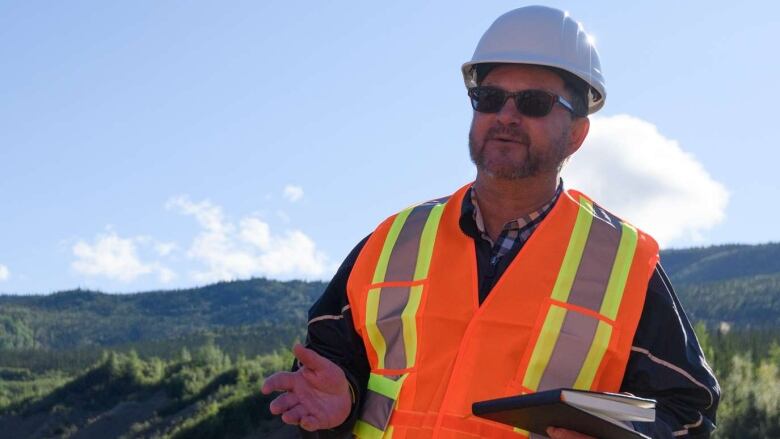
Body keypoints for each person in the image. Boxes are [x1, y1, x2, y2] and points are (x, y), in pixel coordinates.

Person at [262, 6, 719, 439]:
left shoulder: (622, 263)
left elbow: (686, 411)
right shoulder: (391, 243)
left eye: (534, 102)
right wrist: (340, 402)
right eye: (490, 97)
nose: (505, 115)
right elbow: (330, 365)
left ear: (577, 134)